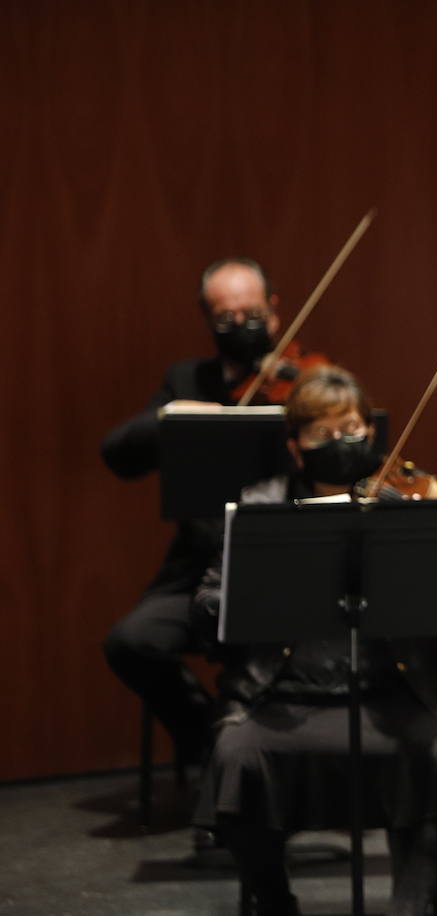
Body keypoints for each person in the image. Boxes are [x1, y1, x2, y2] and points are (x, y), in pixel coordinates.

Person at [193, 365, 437, 916]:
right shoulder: (260, 507)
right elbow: (206, 602)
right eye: (322, 433)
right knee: (235, 754)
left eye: (350, 427)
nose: (341, 442)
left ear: (370, 432)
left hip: (389, 695)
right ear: (296, 447)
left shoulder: (405, 501)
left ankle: (410, 907)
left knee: (432, 753)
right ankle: (274, 903)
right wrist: (249, 595)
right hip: (280, 697)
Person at [101, 257, 309, 764]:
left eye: (252, 313)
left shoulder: (304, 381)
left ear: (274, 311)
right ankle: (208, 741)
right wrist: (176, 416)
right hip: (200, 569)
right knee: (131, 642)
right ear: (207, 319)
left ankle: (280, 769)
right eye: (226, 318)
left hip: (287, 569)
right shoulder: (188, 381)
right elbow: (119, 455)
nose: (241, 326)